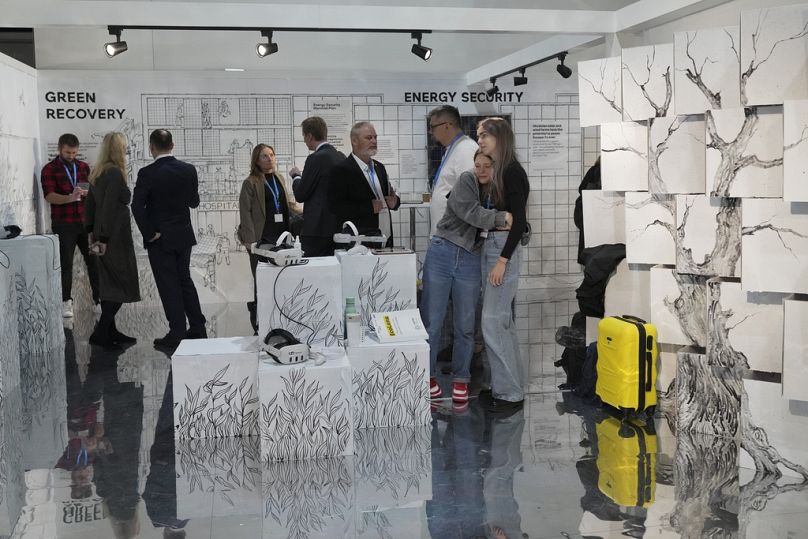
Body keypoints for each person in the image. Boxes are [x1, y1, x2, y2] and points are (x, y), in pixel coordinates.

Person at [420, 150, 511, 405]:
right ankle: (428, 377)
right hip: (442, 252)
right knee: (432, 323)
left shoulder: (500, 190)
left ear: (496, 167)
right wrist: (500, 218)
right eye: (478, 165)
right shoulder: (466, 180)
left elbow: (516, 221)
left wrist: (516, 225)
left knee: (466, 325)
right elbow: (469, 213)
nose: (481, 170)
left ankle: (461, 378)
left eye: (487, 166)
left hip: (471, 260)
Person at [132, 129, 206, 349]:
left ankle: (177, 332)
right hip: (183, 236)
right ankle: (198, 327)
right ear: (172, 145)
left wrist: (149, 232)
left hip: (160, 238)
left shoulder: (147, 173)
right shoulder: (188, 170)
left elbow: (137, 206)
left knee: (168, 284)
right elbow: (194, 202)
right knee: (185, 280)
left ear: (152, 147)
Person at [476, 117, 530, 413]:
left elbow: (519, 222)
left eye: (485, 135)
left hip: (502, 250)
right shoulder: (501, 171)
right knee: (501, 323)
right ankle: (506, 388)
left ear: (500, 136)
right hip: (496, 247)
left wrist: (502, 261)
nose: (481, 140)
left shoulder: (511, 171)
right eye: (479, 135)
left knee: (493, 322)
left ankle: (509, 394)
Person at [85, 132, 141, 348]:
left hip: (103, 232)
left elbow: (90, 205)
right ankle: (101, 332)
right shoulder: (115, 173)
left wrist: (91, 231)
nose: (127, 149)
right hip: (114, 236)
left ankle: (110, 330)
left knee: (109, 283)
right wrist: (105, 238)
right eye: (124, 146)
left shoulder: (98, 172)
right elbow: (108, 206)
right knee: (120, 282)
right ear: (118, 149)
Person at [41, 133, 100, 318]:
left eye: (74, 152)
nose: (71, 156)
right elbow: (49, 196)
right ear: (60, 149)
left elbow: (89, 192)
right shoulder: (49, 169)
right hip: (64, 224)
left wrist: (86, 193)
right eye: (68, 152)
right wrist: (69, 197)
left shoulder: (83, 167)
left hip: (85, 222)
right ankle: (66, 302)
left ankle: (98, 300)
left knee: (94, 262)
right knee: (66, 265)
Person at [237, 143, 291, 332]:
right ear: (256, 161)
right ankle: (260, 322)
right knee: (262, 281)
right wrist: (251, 242)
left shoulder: (279, 178)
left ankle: (281, 319)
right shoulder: (251, 182)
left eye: (272, 155)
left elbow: (288, 205)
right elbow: (246, 213)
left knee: (281, 280)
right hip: (261, 240)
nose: (270, 159)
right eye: (264, 156)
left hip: (282, 238)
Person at [329, 121, 400, 247]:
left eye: (375, 137)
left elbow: (388, 196)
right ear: (354, 141)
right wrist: (368, 207)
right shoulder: (341, 170)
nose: (374, 141)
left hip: (385, 236)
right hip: (359, 241)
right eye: (368, 138)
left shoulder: (380, 168)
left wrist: (395, 202)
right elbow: (335, 207)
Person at [290, 116, 345, 256]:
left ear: (310, 136)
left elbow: (301, 194)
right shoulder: (341, 157)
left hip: (316, 230)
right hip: (338, 228)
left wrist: (296, 176)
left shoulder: (315, 158)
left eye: (304, 136)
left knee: (313, 272)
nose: (304, 140)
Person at [427, 105, 478, 237]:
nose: (430, 132)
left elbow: (469, 195)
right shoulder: (453, 148)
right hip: (446, 233)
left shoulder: (466, 149)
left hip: (455, 236)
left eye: (432, 127)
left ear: (447, 125)